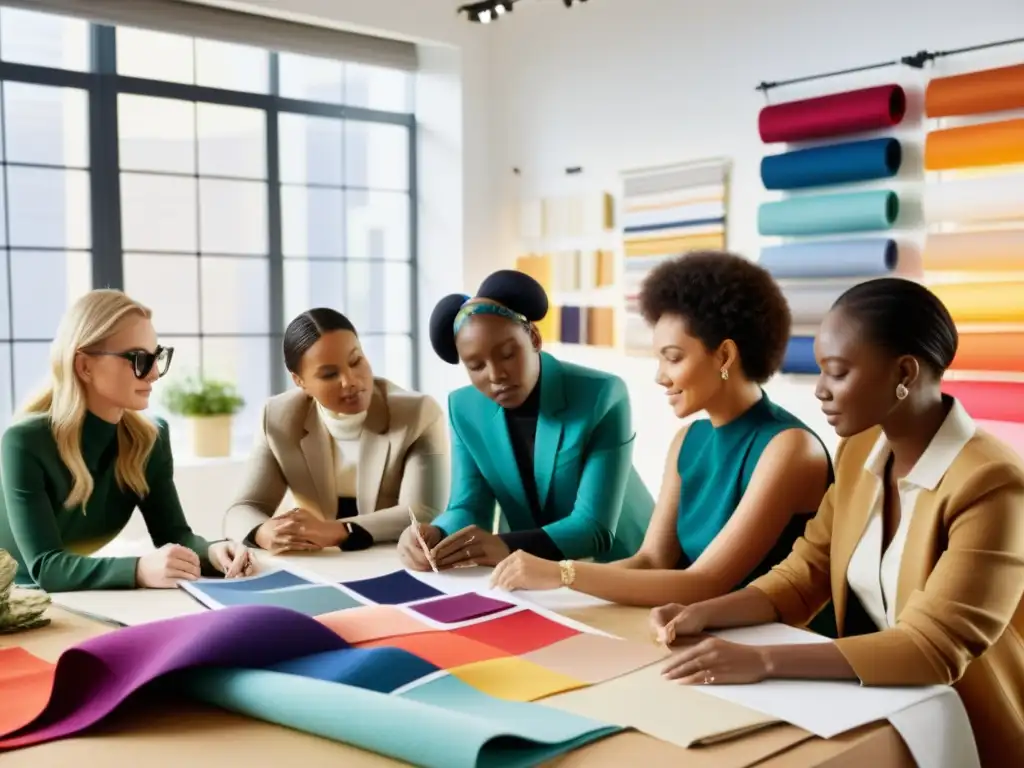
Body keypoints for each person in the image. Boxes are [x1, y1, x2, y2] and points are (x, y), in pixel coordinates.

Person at [649, 277, 1024, 766]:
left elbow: (935, 648)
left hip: (966, 725)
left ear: (904, 372)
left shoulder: (993, 483)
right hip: (873, 707)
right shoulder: (859, 452)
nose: (820, 390)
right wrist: (705, 612)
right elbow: (804, 574)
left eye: (838, 372)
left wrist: (762, 661)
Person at [490, 252, 835, 632]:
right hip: (697, 631)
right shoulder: (688, 440)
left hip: (779, 644)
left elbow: (707, 582)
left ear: (724, 355)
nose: (660, 376)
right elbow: (652, 561)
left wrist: (563, 574)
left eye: (673, 358)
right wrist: (546, 592)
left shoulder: (790, 448)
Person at [398, 269, 654, 571]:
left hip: (621, 565)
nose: (496, 376)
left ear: (533, 337)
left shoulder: (602, 396)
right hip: (528, 572)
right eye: (476, 365)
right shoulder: (464, 408)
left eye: (507, 354)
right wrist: (436, 533)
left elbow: (594, 528)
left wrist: (505, 545)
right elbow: (469, 505)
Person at [0, 290, 249, 593]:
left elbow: (174, 535)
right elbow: (46, 567)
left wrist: (212, 552)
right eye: (139, 359)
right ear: (84, 366)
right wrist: (139, 569)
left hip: (62, 603)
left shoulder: (150, 439)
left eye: (157, 357)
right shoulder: (23, 443)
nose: (155, 373)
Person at [223, 308, 449, 553]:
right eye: (329, 374)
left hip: (394, 560)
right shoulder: (278, 418)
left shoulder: (417, 413)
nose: (350, 380)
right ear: (300, 382)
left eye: (355, 361)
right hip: (318, 563)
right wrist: (262, 532)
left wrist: (339, 530)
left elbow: (423, 511)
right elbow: (242, 508)